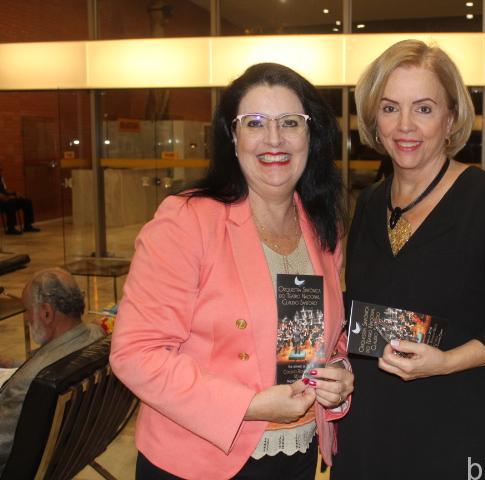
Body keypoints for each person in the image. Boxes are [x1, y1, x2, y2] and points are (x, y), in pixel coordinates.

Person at [110, 63, 354, 480]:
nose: (274, 138)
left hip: (297, 454)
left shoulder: (320, 225)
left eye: (290, 122)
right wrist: (249, 406)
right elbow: (136, 353)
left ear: (311, 136)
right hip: (199, 461)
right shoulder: (187, 220)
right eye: (254, 122)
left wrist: (340, 376)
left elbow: (332, 337)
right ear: (232, 137)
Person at [332, 40, 485, 480]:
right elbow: (362, 309)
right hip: (367, 425)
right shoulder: (369, 202)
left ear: (450, 118)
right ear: (373, 119)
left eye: (424, 109)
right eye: (390, 108)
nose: (405, 125)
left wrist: (445, 362)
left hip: (450, 423)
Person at [0, 268, 104, 474]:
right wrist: (13, 363)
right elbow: (57, 363)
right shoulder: (96, 335)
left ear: (46, 313)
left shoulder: (28, 383)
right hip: (71, 451)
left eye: (27, 310)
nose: (26, 318)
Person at [0, 167, 40, 235]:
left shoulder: (1, 179)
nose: (1, 173)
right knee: (11, 203)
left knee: (27, 201)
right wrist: (8, 197)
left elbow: (5, 190)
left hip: (6, 199)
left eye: (1, 171)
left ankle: (27, 226)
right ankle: (11, 228)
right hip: (1, 202)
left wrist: (14, 193)